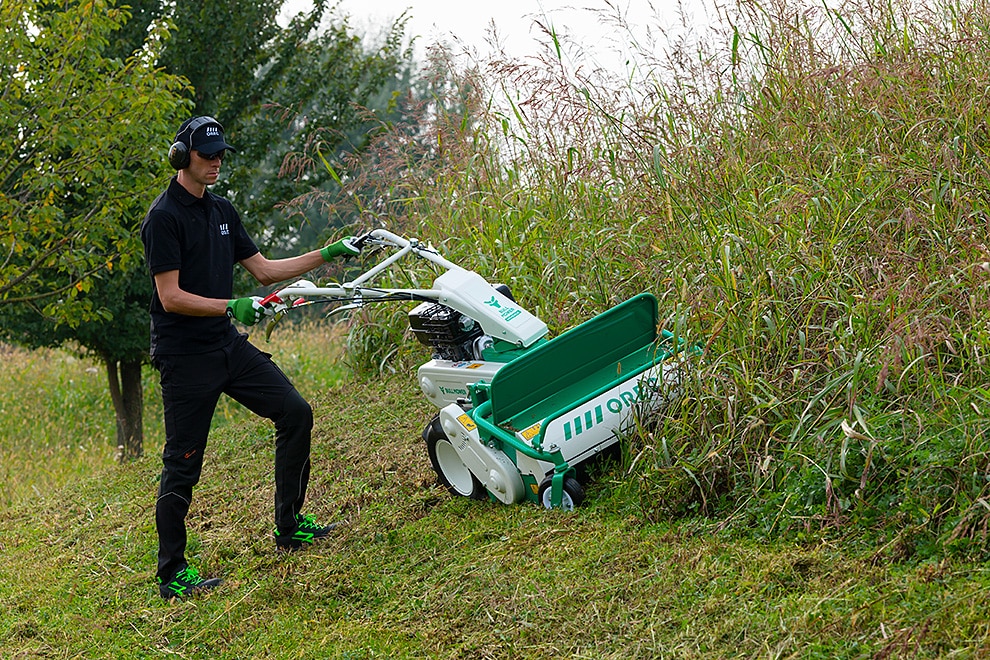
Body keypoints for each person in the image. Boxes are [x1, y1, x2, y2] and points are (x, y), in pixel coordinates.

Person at [141, 116, 361, 600]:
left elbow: (263, 271)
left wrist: (328, 252)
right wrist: (230, 305)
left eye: (221, 155)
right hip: (185, 357)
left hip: (225, 344)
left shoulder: (222, 211)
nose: (217, 162)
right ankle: (172, 573)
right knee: (183, 463)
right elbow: (171, 296)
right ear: (182, 157)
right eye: (207, 155)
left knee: (295, 412)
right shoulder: (164, 217)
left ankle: (289, 525)